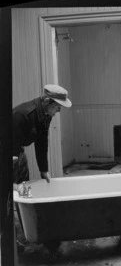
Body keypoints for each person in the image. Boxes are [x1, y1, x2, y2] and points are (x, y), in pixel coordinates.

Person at [13, 84, 72, 249]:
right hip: (7, 153)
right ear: (47, 101)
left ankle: (27, 233)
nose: (59, 111)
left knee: (23, 192)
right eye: (58, 107)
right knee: (9, 195)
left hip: (18, 152)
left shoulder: (46, 115)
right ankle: (8, 240)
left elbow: (41, 142)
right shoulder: (22, 115)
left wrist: (43, 170)